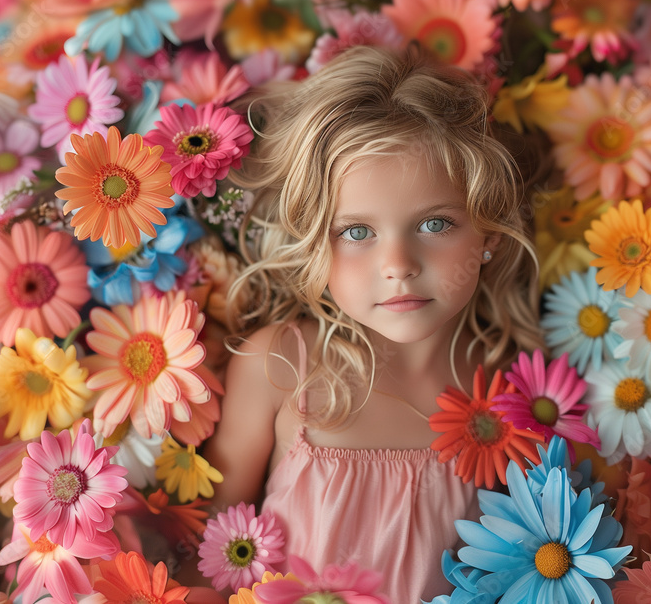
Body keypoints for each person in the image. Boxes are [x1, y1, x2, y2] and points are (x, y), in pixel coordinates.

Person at [204, 45, 544, 602]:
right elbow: (212, 550)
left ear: (488, 233)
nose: (398, 266)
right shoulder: (282, 366)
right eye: (357, 232)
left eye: (435, 223)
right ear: (314, 242)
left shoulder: (514, 393)